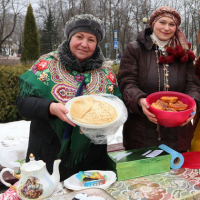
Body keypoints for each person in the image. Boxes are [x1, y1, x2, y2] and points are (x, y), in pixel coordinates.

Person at [17, 14, 121, 181]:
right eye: (79, 37)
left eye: (91, 39)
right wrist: (50, 108)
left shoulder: (105, 72)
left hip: (91, 155)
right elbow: (23, 104)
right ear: (69, 38)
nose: (84, 44)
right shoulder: (47, 64)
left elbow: (117, 104)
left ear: (97, 43)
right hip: (49, 151)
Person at [117, 6, 200, 153]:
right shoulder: (135, 49)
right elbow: (127, 81)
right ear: (153, 23)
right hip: (141, 132)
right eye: (162, 22)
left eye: (172, 24)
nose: (166, 28)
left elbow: (192, 84)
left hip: (177, 133)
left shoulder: (183, 52)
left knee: (176, 174)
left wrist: (193, 103)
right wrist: (140, 100)